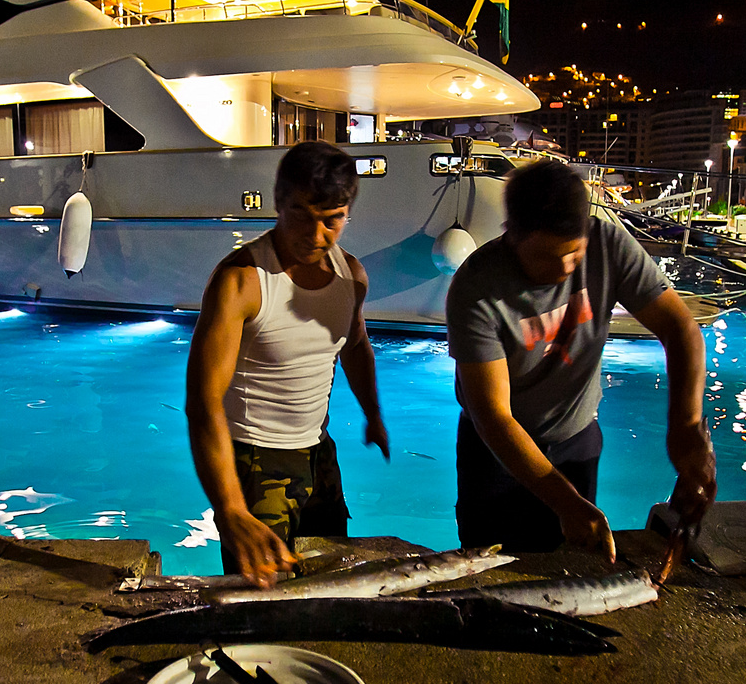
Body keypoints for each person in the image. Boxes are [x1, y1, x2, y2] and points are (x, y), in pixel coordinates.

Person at [444, 159, 714, 561]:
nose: (566, 268)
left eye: (574, 253)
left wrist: (686, 428)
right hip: (496, 455)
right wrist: (564, 502)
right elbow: (494, 417)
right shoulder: (476, 289)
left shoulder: (607, 243)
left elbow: (681, 330)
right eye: (548, 257)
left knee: (574, 563)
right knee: (489, 566)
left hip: (576, 441)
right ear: (513, 236)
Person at [185, 141, 389, 586]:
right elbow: (203, 402)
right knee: (260, 594)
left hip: (319, 454)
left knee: (330, 580)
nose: (316, 236)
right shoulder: (241, 281)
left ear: (347, 214)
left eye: (331, 220)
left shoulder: (351, 275)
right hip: (254, 464)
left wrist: (373, 415)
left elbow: (354, 345)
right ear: (278, 204)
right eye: (301, 215)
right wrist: (231, 509)